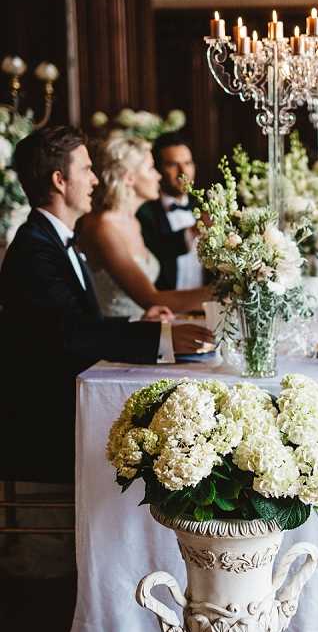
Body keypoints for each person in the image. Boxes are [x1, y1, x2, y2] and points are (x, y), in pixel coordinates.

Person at [0, 127, 211, 481]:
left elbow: (77, 325)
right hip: (48, 421)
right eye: (86, 169)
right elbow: (73, 337)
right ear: (59, 181)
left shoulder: (53, 239)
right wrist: (161, 338)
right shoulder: (35, 250)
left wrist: (143, 326)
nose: (95, 180)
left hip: (70, 395)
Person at [77, 134, 212, 319]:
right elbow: (150, 299)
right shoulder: (104, 228)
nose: (158, 175)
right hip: (118, 332)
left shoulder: (133, 222)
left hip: (150, 326)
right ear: (129, 178)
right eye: (150, 168)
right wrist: (222, 291)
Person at [137, 131, 203, 290]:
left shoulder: (204, 206)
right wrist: (194, 230)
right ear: (158, 169)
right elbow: (157, 250)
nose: (183, 172)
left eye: (188, 163)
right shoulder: (143, 211)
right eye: (173, 164)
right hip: (164, 302)